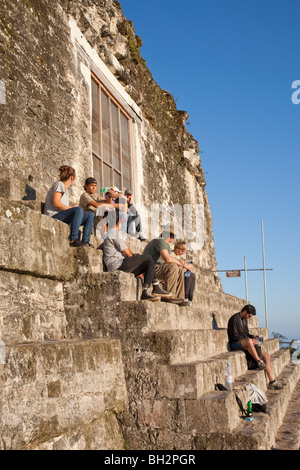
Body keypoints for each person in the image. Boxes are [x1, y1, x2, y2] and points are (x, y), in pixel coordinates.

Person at [102, 213, 171, 301]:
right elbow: (128, 254)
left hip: (118, 264)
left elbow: (127, 248)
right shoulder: (113, 233)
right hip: (117, 264)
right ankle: (155, 287)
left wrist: (136, 257)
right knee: (148, 258)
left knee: (149, 264)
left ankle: (146, 292)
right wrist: (136, 258)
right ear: (119, 222)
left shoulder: (113, 233)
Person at [227, 305, 282, 390]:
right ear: (245, 312)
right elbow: (235, 337)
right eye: (249, 316)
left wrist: (253, 337)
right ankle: (258, 361)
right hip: (235, 344)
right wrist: (249, 340)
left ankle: (272, 382)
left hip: (245, 342)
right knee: (249, 341)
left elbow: (246, 333)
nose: (249, 318)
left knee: (267, 356)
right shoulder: (234, 319)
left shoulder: (244, 320)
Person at [44, 166, 94, 247]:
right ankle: (73, 239)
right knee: (78, 209)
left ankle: (86, 241)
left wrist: (72, 209)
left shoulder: (65, 191)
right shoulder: (59, 184)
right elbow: (56, 203)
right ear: (72, 177)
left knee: (90, 215)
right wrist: (72, 209)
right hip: (53, 216)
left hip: (62, 216)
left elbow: (64, 207)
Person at [143, 225, 186, 304]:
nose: (173, 238)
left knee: (179, 269)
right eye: (173, 236)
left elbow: (169, 259)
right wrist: (182, 264)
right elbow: (167, 259)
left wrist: (181, 265)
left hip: (157, 268)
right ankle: (169, 296)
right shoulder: (160, 240)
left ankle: (179, 297)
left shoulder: (166, 245)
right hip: (150, 269)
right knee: (173, 267)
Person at [174, 240, 196, 307]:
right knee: (189, 276)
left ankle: (190, 297)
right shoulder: (172, 254)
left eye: (184, 251)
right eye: (182, 251)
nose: (182, 253)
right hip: (173, 273)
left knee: (192, 275)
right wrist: (184, 266)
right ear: (177, 249)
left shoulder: (178, 256)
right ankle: (185, 296)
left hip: (178, 272)